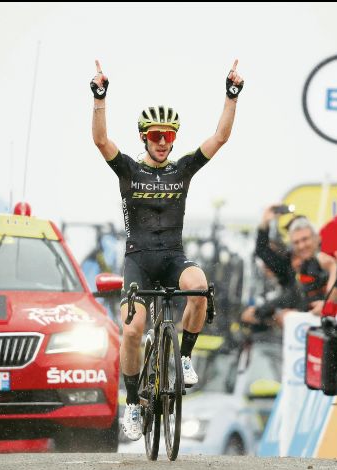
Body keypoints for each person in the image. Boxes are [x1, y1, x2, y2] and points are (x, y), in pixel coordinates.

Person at [90, 59, 244, 440]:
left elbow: (219, 139)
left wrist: (231, 95)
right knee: (132, 331)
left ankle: (185, 357)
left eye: (169, 136)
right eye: (156, 135)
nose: (162, 142)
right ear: (144, 137)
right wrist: (99, 98)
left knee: (199, 287)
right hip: (139, 261)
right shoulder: (128, 170)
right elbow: (100, 141)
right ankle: (131, 406)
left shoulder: (182, 170)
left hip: (173, 256)